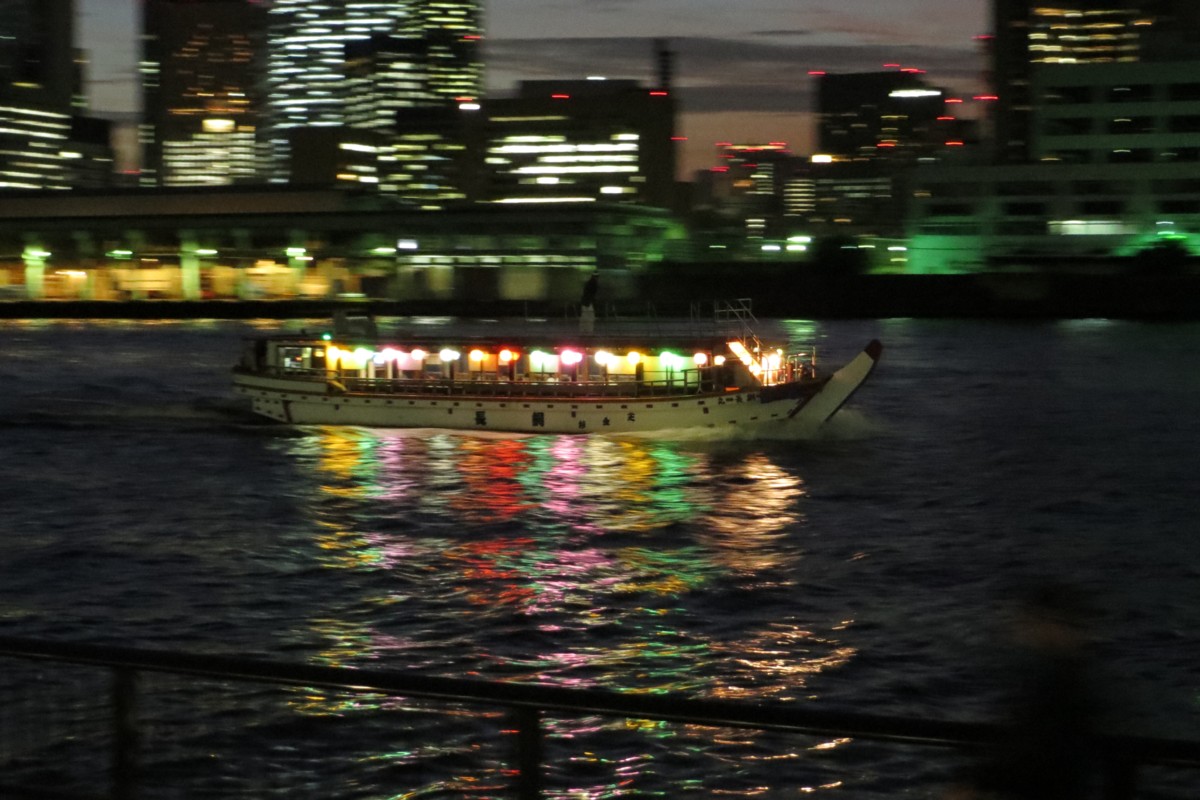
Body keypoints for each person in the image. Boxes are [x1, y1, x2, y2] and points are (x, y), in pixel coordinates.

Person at [946, 583, 1105, 800]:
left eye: (1027, 618)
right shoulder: (1067, 677)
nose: (1019, 625)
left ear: (1047, 623)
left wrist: (980, 782)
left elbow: (1041, 751)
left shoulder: (1054, 683)